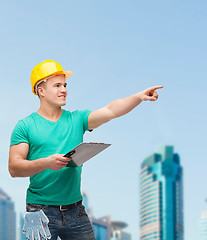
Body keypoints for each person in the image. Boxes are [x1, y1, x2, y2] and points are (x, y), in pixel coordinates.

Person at [8, 60, 163, 240]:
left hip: (75, 211)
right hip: (39, 211)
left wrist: (139, 97)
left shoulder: (77, 119)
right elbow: (14, 168)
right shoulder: (25, 126)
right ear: (41, 91)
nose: (64, 89)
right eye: (57, 85)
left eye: (65, 85)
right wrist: (46, 162)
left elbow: (111, 110)